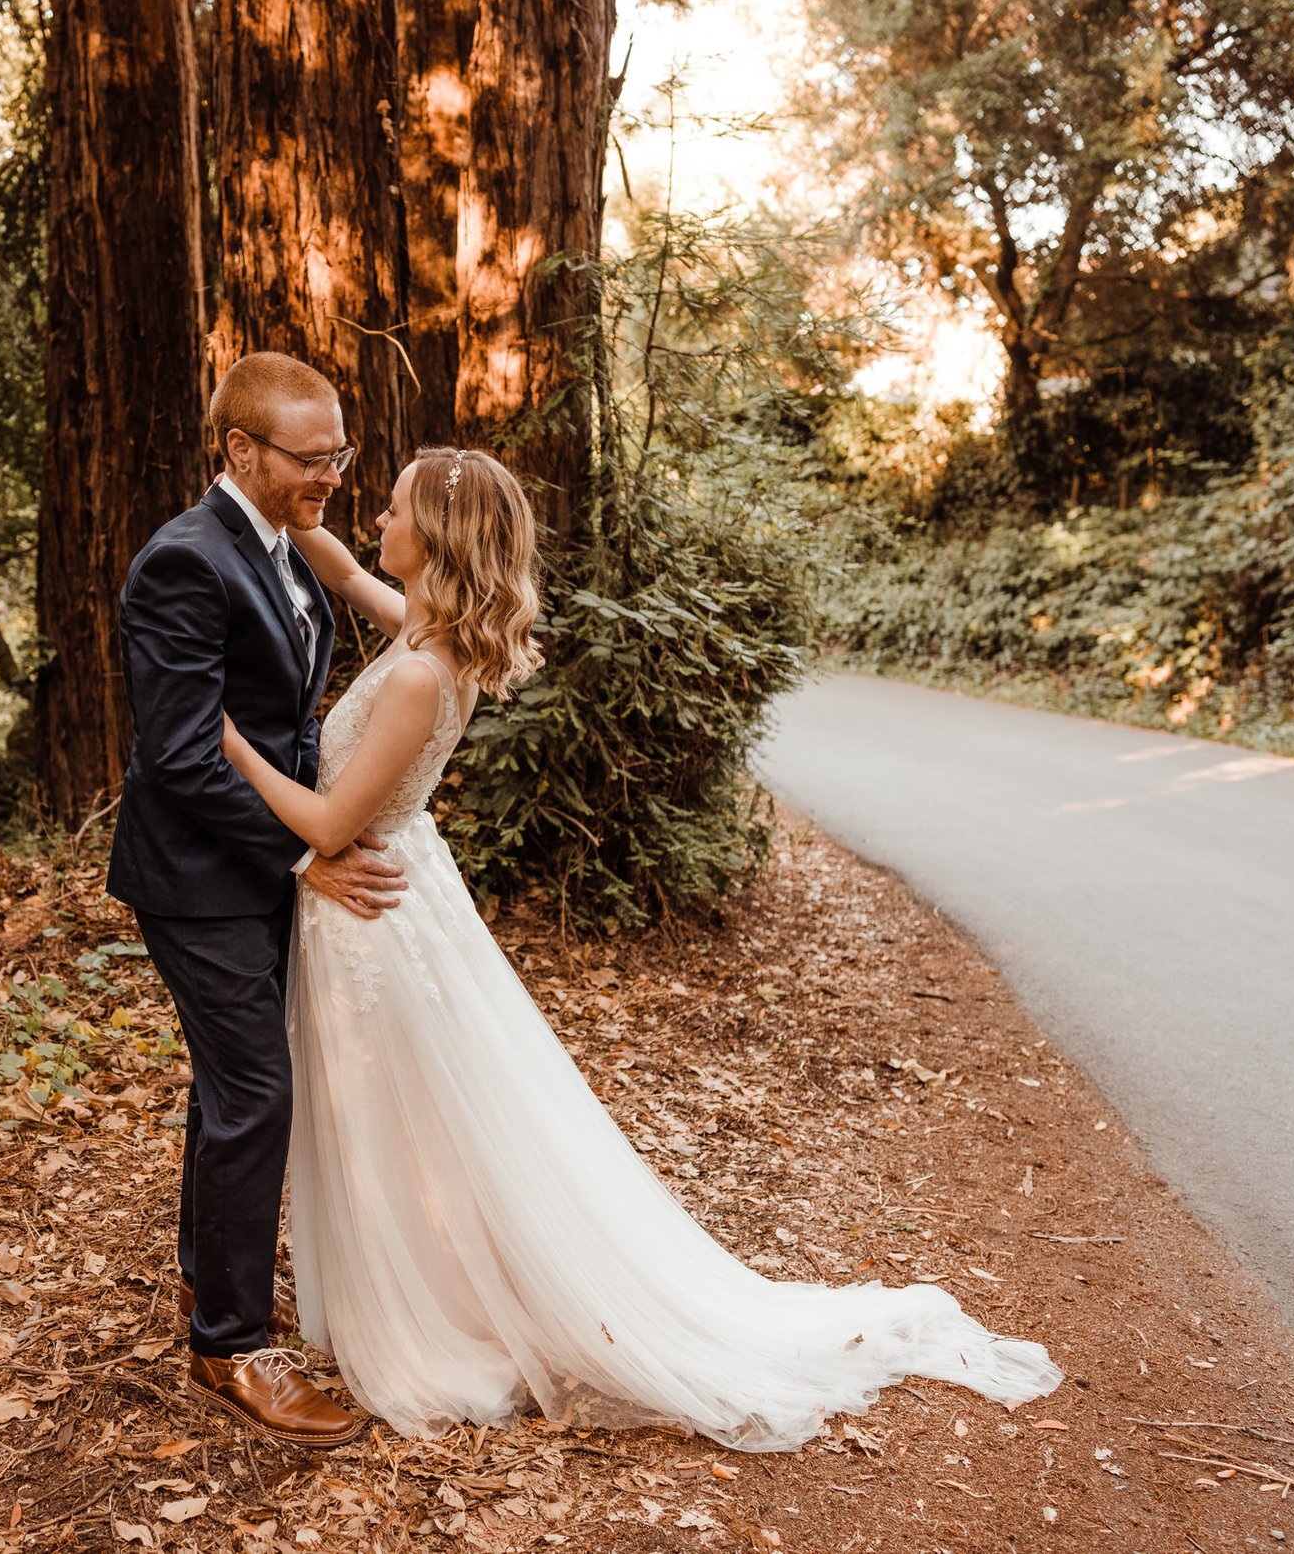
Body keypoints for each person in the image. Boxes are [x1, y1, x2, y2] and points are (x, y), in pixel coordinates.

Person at [216, 445, 1065, 1449]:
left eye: (393, 507)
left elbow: (323, 822)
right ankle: (448, 1287)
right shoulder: (430, 638)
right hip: (396, 898)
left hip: (372, 912)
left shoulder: (415, 675)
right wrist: (259, 505)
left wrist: (220, 734)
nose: (374, 523)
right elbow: (349, 575)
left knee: (396, 1117)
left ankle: (435, 1320)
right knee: (416, 1118)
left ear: (434, 539)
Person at [107, 351, 405, 1447]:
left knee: (232, 1089)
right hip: (199, 881)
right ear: (240, 450)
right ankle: (228, 1344)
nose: (331, 472)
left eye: (341, 451)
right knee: (256, 1093)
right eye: (310, 455)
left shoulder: (279, 539)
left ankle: (204, 1282)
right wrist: (301, 857)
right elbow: (181, 759)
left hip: (259, 864)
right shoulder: (184, 563)